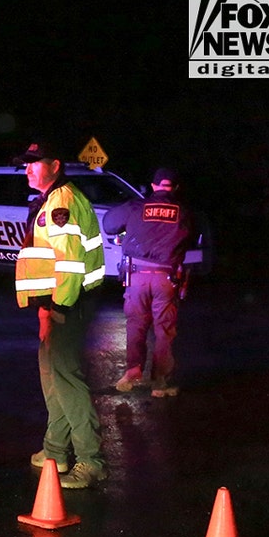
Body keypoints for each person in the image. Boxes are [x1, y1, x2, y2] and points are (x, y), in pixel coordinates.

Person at [14, 141, 108, 489]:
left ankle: (91, 461)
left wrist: (57, 309)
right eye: (25, 164)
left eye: (33, 164)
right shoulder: (53, 199)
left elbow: (68, 263)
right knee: (53, 377)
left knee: (66, 379)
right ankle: (55, 450)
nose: (27, 170)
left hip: (68, 304)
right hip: (58, 304)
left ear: (55, 165)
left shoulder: (62, 202)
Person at [103, 167, 194, 398]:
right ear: (175, 188)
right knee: (164, 329)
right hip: (167, 278)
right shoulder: (185, 212)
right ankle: (160, 383)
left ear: (153, 186)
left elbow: (109, 224)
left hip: (136, 277)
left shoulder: (136, 206)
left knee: (136, 324)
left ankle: (133, 370)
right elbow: (193, 238)